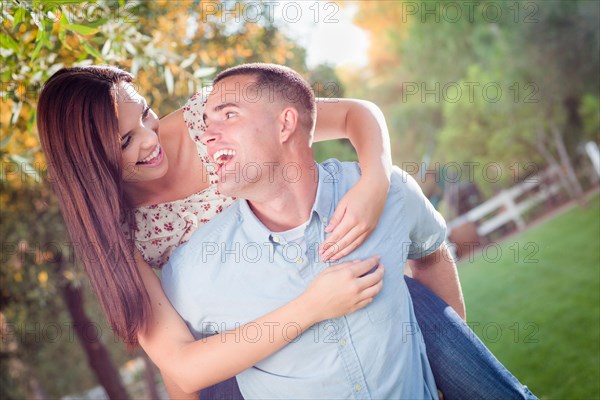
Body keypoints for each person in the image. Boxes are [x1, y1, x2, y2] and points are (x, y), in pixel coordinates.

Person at [161, 63, 538, 399]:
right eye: (207, 124)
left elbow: (432, 254)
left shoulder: (390, 192)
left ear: (285, 124)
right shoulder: (192, 270)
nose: (207, 135)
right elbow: (183, 376)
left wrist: (446, 366)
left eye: (228, 115)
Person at [37, 64, 390, 399]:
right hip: (242, 347)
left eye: (146, 114)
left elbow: (354, 114)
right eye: (126, 140)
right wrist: (312, 307)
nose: (150, 139)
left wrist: (375, 179)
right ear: (89, 164)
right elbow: (182, 366)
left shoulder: (208, 120)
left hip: (333, 282)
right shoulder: (115, 232)